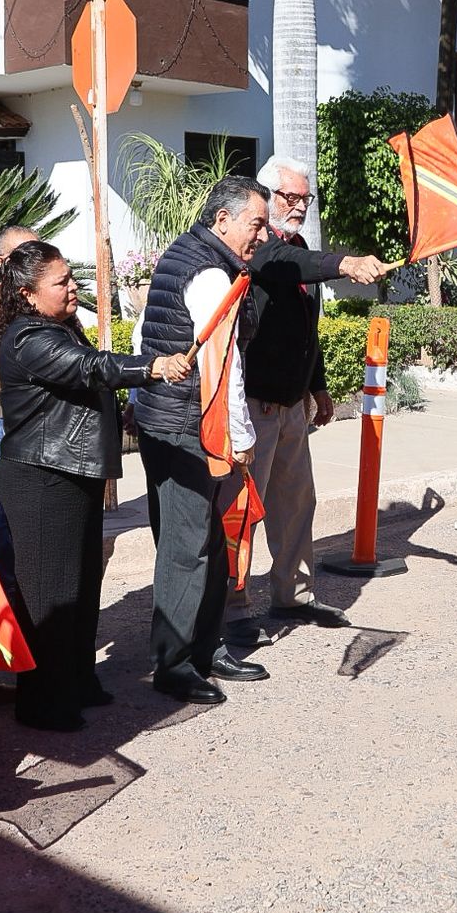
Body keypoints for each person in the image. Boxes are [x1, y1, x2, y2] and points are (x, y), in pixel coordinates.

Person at [0, 240, 191, 731]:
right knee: (51, 595)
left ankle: (77, 681)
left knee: (81, 585)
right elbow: (90, 368)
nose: (72, 288)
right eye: (60, 282)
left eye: (70, 277)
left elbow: (85, 380)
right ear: (28, 293)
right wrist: (151, 367)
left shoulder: (57, 326)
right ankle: (43, 704)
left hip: (72, 472)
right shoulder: (27, 336)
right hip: (43, 478)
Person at [218, 155, 385, 651]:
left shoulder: (297, 248)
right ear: (266, 198)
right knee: (243, 510)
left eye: (305, 198)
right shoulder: (258, 247)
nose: (299, 206)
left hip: (291, 405)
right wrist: (345, 264)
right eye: (290, 197)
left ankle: (293, 596)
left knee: (296, 505)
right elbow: (284, 265)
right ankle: (233, 609)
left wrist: (318, 385)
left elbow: (305, 327)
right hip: (253, 407)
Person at [135, 176, 270, 705]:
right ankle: (173, 664)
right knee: (185, 548)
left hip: (175, 420)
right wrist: (241, 435)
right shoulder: (210, 272)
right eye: (256, 224)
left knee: (208, 541)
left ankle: (207, 647)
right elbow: (222, 364)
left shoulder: (191, 253)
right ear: (222, 220)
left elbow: (147, 329)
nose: (263, 235)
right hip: (186, 426)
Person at [0, 224, 40, 602]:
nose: (33, 261)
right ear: (3, 262)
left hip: (39, 413)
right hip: (11, 414)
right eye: (21, 255)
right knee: (11, 503)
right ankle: (9, 588)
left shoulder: (42, 292)